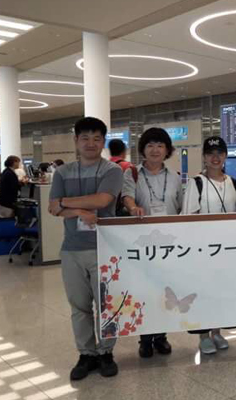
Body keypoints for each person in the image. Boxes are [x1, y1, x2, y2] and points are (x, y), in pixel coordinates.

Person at [48, 117, 123, 380]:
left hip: (105, 249)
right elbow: (52, 208)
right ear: (76, 140)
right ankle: (86, 354)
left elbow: (102, 200)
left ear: (103, 142)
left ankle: (106, 352)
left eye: (97, 138)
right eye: (85, 138)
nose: (91, 143)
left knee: (107, 306)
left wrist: (65, 202)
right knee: (79, 306)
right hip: (72, 250)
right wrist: (80, 211)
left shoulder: (112, 170)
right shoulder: (62, 172)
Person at [122, 128, 182, 358]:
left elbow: (180, 207)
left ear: (167, 150)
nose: (155, 150)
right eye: (150, 145)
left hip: (168, 244)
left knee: (164, 291)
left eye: (160, 145)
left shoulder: (175, 177)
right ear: (143, 149)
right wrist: (132, 207)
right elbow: (127, 196)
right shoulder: (132, 174)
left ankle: (161, 337)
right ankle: (145, 338)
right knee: (145, 292)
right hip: (142, 243)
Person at [181, 136, 236, 355]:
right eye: (211, 154)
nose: (215, 158)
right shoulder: (196, 182)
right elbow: (188, 217)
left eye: (220, 153)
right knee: (203, 292)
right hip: (203, 250)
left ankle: (217, 332)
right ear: (204, 157)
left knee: (221, 291)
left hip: (226, 249)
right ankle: (204, 336)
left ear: (225, 156)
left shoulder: (232, 182)